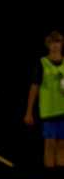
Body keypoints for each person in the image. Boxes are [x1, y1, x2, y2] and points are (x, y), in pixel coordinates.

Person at [24, 30, 64, 171]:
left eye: (57, 42)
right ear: (48, 45)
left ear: (61, 44)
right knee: (50, 143)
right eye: (52, 43)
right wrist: (29, 112)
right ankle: (49, 175)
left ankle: (60, 176)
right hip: (49, 111)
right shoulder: (43, 63)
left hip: (63, 110)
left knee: (62, 144)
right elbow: (34, 88)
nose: (55, 46)